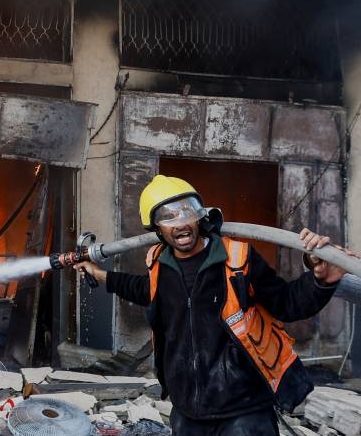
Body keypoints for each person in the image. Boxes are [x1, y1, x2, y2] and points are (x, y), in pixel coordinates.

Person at [75, 174, 346, 435]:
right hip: (188, 413)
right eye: (168, 216)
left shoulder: (237, 259)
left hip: (244, 411)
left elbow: (288, 304)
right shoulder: (159, 263)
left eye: (187, 212)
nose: (181, 222)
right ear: (155, 227)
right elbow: (144, 289)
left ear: (200, 215)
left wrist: (320, 280)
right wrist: (99, 274)